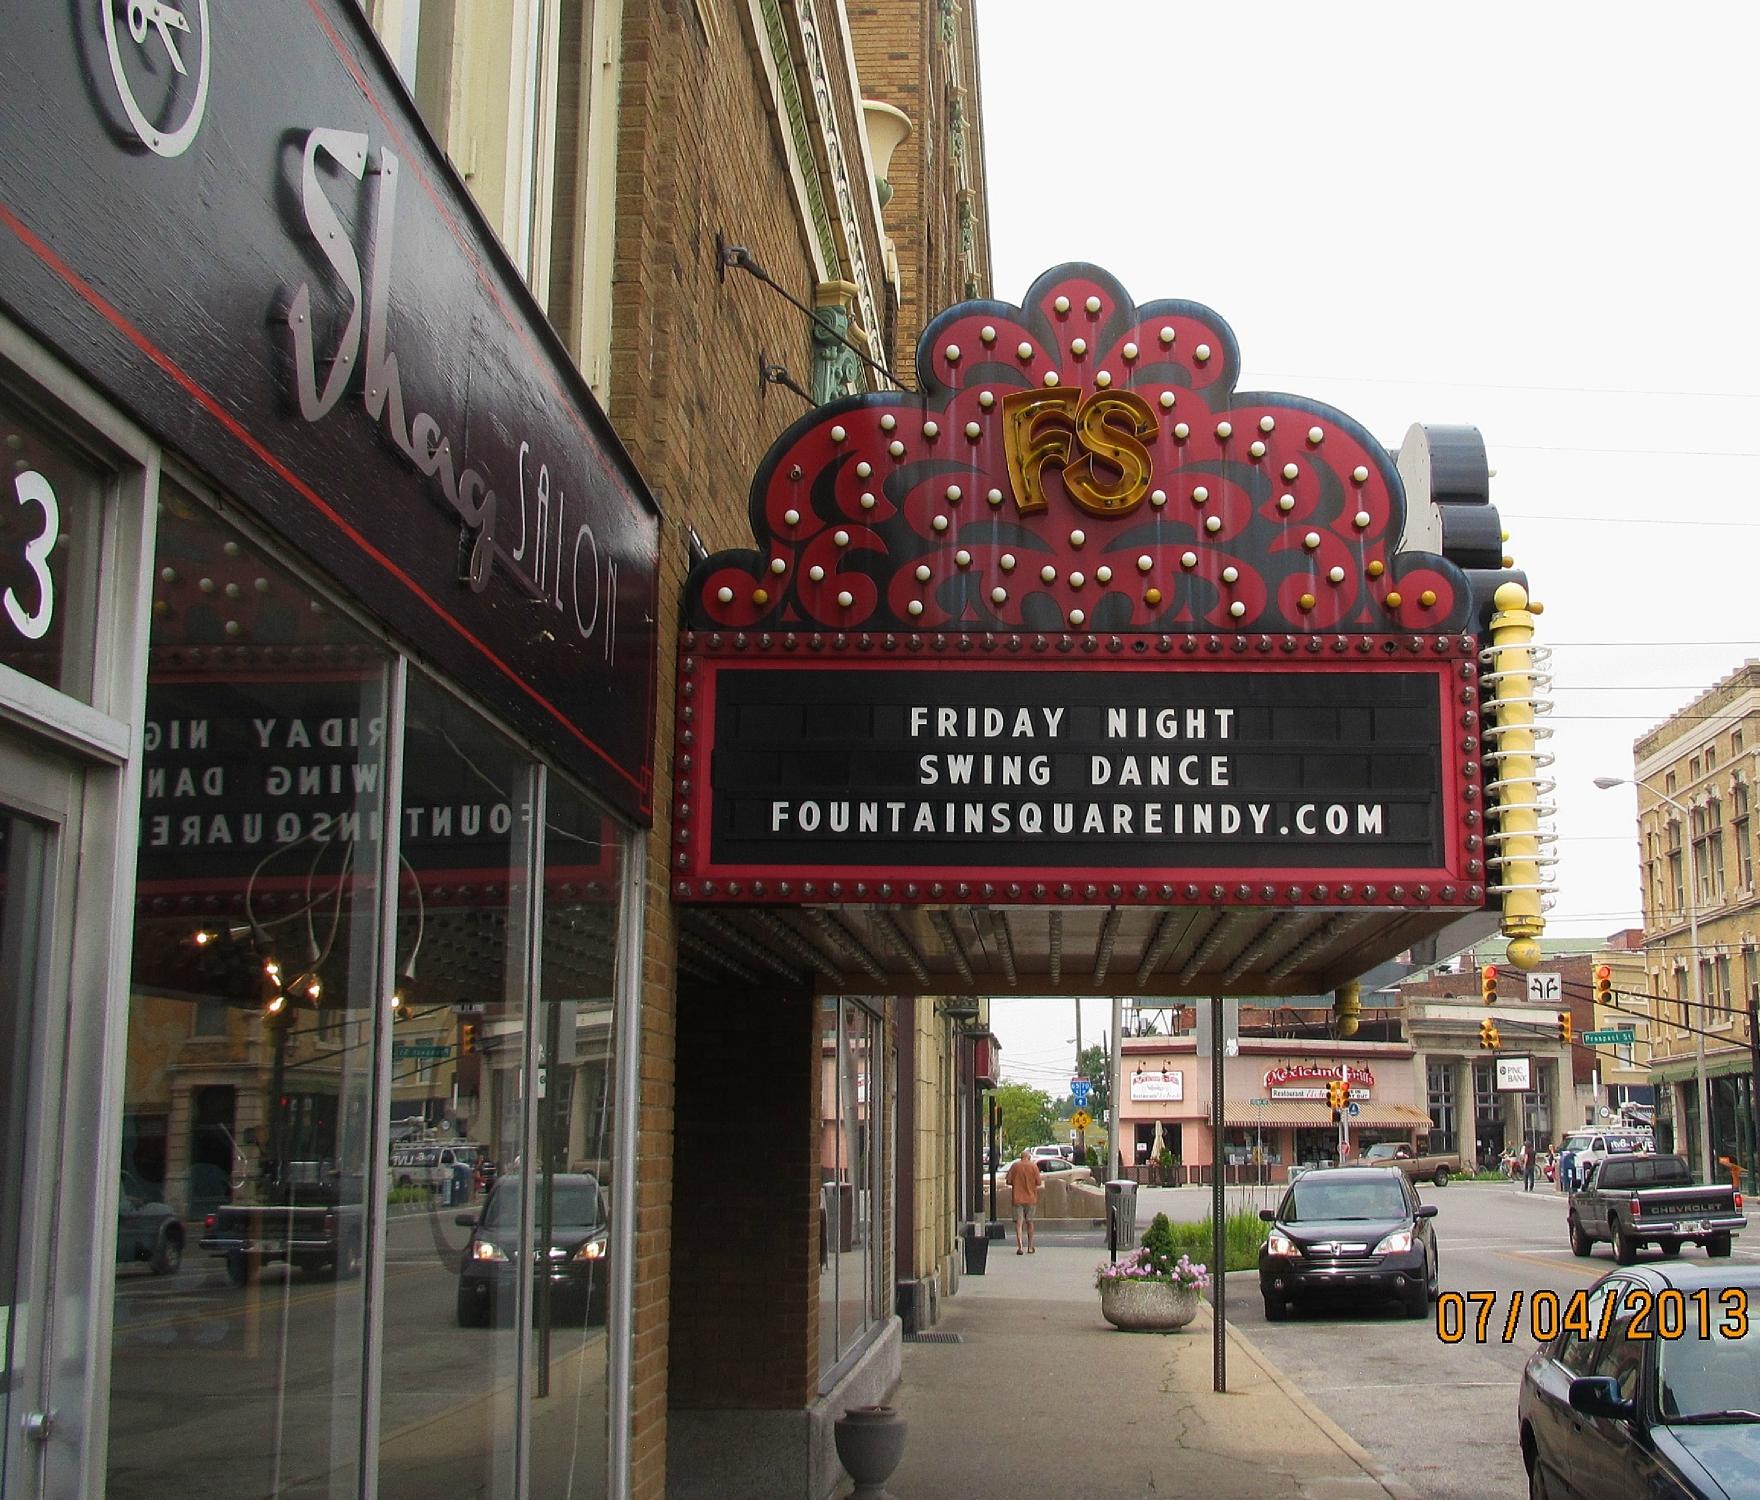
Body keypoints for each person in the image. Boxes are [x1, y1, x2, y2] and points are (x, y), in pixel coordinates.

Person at [1004, 1145, 1043, 1255]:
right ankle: (1030, 1247)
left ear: (1021, 1157)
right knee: (1030, 1222)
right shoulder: (1034, 1167)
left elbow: (1008, 1181)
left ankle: (1020, 1246)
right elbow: (1039, 1182)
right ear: (1029, 1157)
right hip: (1031, 1198)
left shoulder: (1015, 1166)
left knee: (1019, 1223)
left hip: (1017, 1198)